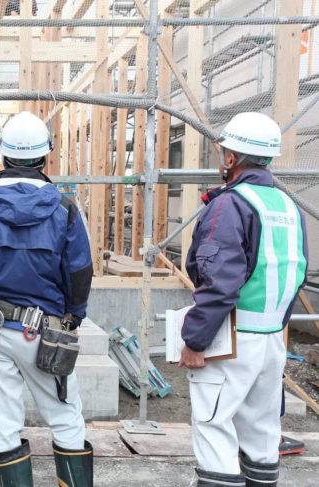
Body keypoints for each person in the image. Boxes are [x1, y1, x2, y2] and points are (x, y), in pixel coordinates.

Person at [0, 111, 94, 487]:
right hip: (46, 333)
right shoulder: (65, 209)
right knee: (64, 415)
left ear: (2, 153)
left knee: (3, 420)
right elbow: (79, 271)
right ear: (46, 155)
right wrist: (72, 318)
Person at [179, 112, 309, 487]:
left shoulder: (231, 204)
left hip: (231, 339)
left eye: (224, 152)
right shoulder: (287, 207)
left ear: (233, 158)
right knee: (262, 433)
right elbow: (296, 273)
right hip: (271, 340)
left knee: (214, 426)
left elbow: (220, 282)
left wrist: (195, 340)